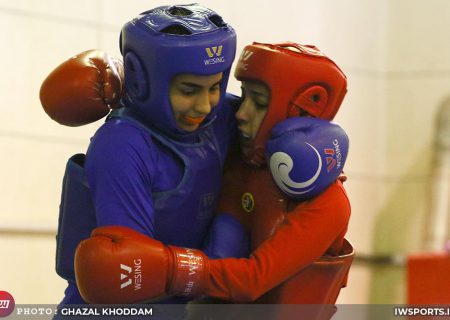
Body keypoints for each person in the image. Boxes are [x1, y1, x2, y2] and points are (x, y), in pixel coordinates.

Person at [73, 41, 354, 313]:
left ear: (300, 112)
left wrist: (168, 268)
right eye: (244, 96)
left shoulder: (327, 203)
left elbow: (253, 280)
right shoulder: (238, 153)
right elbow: (177, 101)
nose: (240, 113)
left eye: (258, 102)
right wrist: (120, 77)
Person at [40, 4, 250, 305]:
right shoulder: (122, 144)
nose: (204, 106)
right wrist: (209, 271)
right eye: (189, 90)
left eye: (214, 87)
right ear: (144, 81)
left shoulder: (221, 119)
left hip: (184, 306)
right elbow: (129, 272)